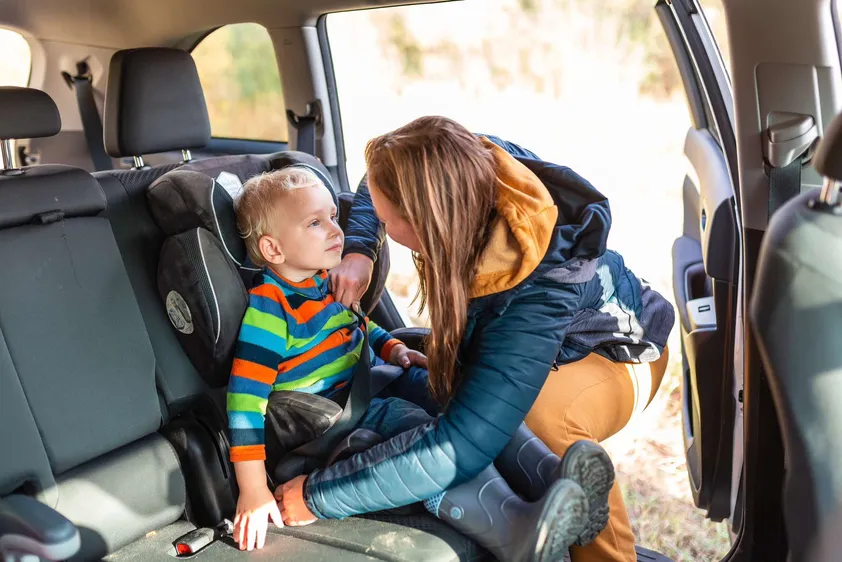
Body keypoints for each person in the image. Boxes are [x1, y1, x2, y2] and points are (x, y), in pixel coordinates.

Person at [279, 117, 675, 562]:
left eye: (390, 222)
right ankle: (547, 500)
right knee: (469, 393)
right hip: (555, 343)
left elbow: (458, 446)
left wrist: (319, 496)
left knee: (538, 415)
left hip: (620, 354)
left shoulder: (535, 291)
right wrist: (358, 249)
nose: (383, 225)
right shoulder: (470, 166)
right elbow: (379, 182)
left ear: (426, 221)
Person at [227, 166, 613, 561]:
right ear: (273, 249)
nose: (335, 230)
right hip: (331, 424)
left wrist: (393, 348)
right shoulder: (270, 309)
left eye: (332, 216)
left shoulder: (324, 281)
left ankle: (553, 476)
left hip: (368, 389)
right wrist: (253, 486)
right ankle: (513, 528)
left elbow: (357, 325)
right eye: (315, 223)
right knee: (425, 437)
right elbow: (245, 399)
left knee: (464, 398)